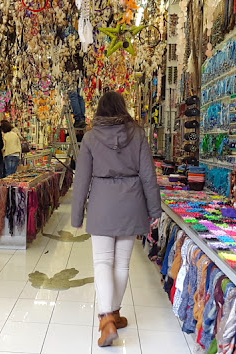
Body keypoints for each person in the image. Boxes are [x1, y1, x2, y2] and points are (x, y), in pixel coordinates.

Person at [71, 91, 162, 347]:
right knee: (121, 264)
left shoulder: (90, 138)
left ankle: (106, 319)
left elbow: (82, 180)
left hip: (102, 203)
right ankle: (115, 313)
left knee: (102, 262)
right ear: (123, 108)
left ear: (100, 110)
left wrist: (77, 214)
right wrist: (154, 210)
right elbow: (148, 175)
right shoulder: (138, 134)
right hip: (131, 203)